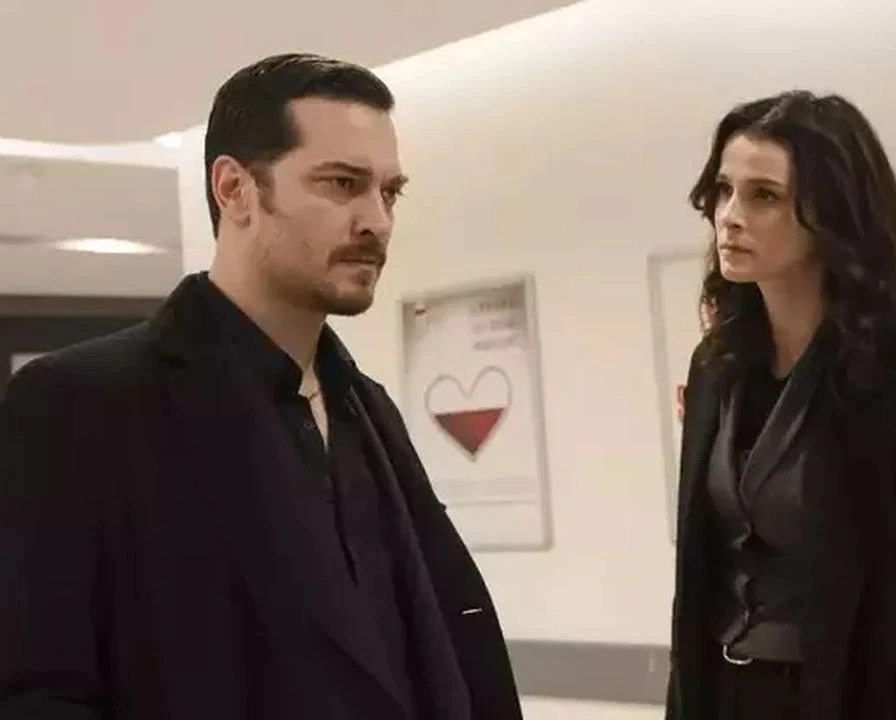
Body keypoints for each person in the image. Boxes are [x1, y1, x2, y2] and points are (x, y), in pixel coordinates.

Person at [0, 53, 522, 720]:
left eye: (389, 192)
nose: (377, 220)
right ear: (235, 189)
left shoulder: (369, 409)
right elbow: (36, 689)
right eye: (342, 184)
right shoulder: (79, 404)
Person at [665, 91, 896, 719]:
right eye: (723, 191)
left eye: (763, 196)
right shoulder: (717, 369)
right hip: (723, 691)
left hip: (844, 697)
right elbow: (701, 575)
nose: (730, 217)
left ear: (831, 215)